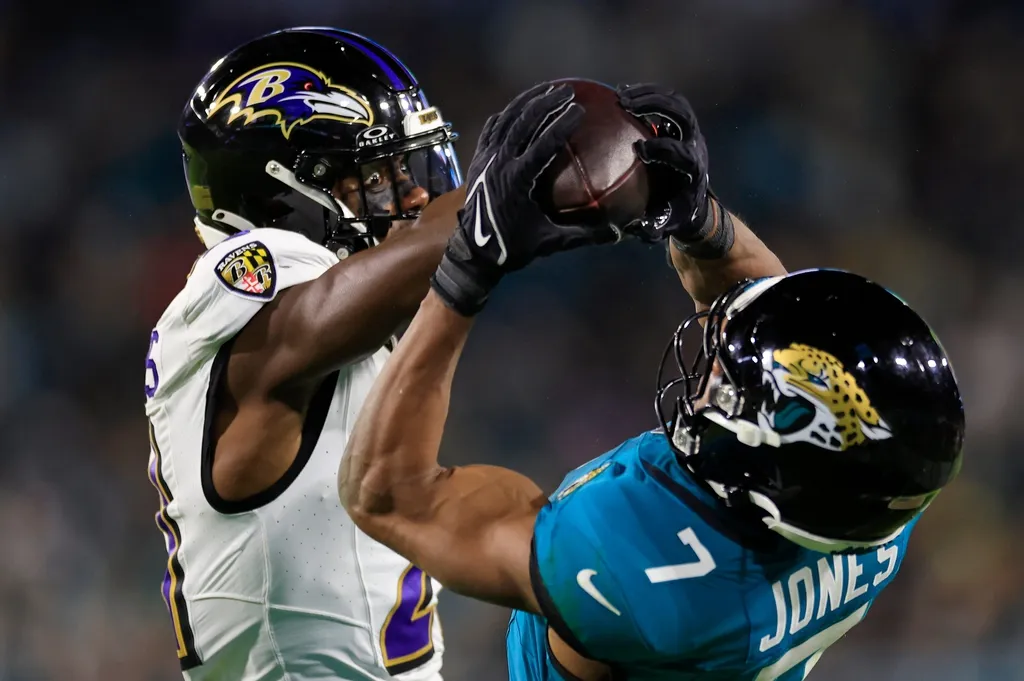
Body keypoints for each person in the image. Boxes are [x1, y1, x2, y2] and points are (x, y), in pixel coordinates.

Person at [339, 82, 966, 681]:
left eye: (730, 391)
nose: (713, 373)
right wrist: (695, 217)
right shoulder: (878, 502)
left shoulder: (646, 573)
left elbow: (384, 494)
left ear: (779, 472)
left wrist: (467, 270)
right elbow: (759, 306)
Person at [144, 26, 467, 680]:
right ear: (284, 189)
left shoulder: (347, 342)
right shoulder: (249, 269)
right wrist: (511, 197)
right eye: (377, 176)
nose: (410, 196)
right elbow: (311, 318)